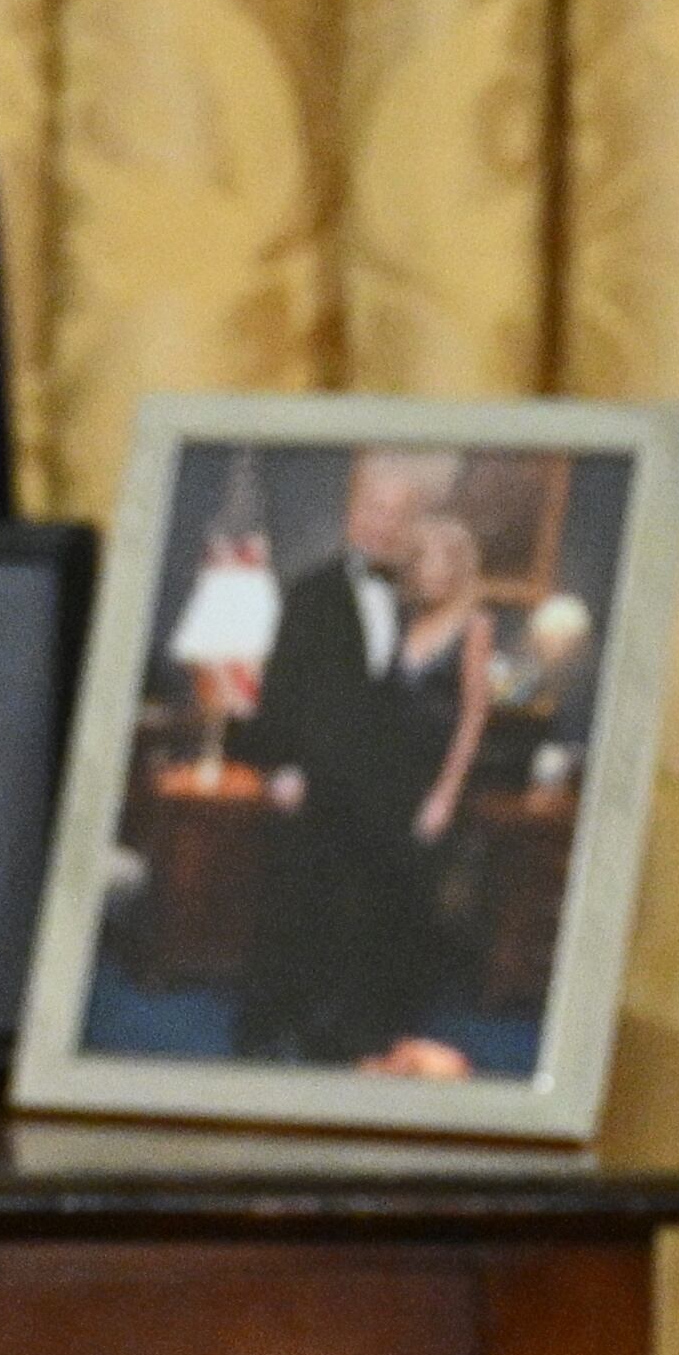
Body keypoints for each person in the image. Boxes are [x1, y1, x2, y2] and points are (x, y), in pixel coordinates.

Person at [226, 451, 474, 1062]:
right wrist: (281, 768)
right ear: (350, 512)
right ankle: (269, 1033)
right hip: (319, 786)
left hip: (392, 793)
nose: (384, 524)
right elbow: (282, 691)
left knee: (378, 924)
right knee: (301, 914)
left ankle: (361, 1038)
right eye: (374, 508)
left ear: (416, 523)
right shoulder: (309, 593)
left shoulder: (426, 601)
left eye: (399, 513)